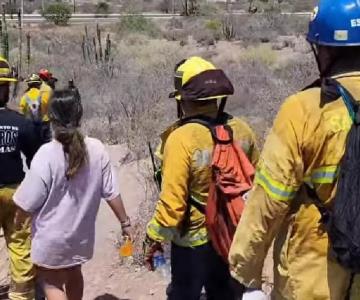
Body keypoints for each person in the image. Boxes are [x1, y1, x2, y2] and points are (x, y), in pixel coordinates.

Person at [229, 0, 360, 299]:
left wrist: (246, 270)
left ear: (324, 50)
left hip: (313, 275)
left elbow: (269, 199)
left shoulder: (303, 110)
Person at [144, 56, 259, 300]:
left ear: (183, 99)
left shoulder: (181, 139)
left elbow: (172, 205)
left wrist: (153, 238)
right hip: (232, 236)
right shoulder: (243, 130)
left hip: (192, 245)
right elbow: (256, 183)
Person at [13, 88, 132, 300]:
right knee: (74, 272)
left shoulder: (47, 154)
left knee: (51, 283)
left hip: (51, 240)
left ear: (51, 118)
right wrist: (125, 223)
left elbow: (28, 201)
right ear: (80, 114)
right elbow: (111, 192)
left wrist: (18, 221)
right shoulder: (97, 148)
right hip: (81, 237)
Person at [0, 56, 40, 300]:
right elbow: (36, 159)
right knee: (20, 245)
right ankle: (22, 295)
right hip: (16, 194)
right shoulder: (19, 122)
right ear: (6, 88)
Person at [19, 74, 51, 143]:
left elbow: (21, 110)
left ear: (29, 84)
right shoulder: (43, 94)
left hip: (30, 125)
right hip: (44, 124)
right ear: (38, 84)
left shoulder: (25, 96)